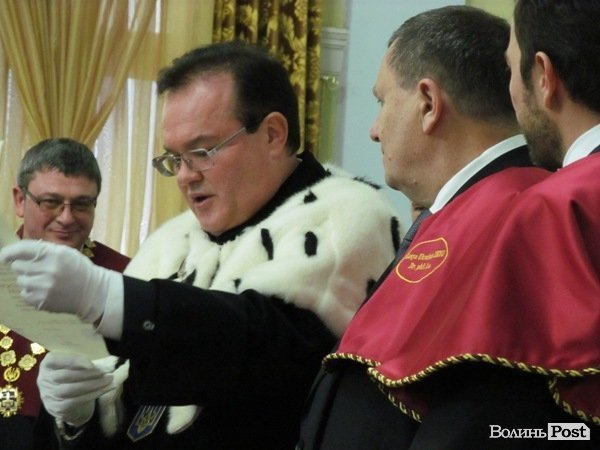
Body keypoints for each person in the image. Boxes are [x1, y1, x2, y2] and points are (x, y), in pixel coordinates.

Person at [1, 42, 402, 449]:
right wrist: (79, 417)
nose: (184, 176)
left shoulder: (341, 219)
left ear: (273, 134)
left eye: (201, 151)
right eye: (175, 159)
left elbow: (261, 346)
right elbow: (132, 410)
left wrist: (110, 298)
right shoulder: (172, 243)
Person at [295, 5, 600, 449]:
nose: (374, 130)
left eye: (382, 101)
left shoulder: (537, 214)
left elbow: (516, 422)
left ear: (429, 103)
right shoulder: (506, 207)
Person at [0, 138, 129, 450]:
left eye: (81, 204)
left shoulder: (125, 279)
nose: (67, 217)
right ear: (20, 200)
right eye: (51, 202)